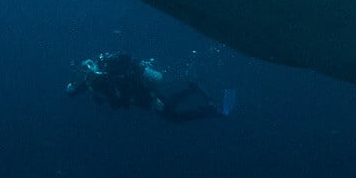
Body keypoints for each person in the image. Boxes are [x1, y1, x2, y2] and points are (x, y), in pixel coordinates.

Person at [65, 51, 231, 123]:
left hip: (145, 95)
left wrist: (152, 97)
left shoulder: (109, 72)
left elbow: (132, 80)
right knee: (170, 110)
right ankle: (192, 90)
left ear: (94, 63)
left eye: (89, 65)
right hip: (142, 99)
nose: (88, 70)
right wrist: (71, 88)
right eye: (84, 69)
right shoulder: (93, 82)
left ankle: (210, 110)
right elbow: (75, 91)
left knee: (173, 117)